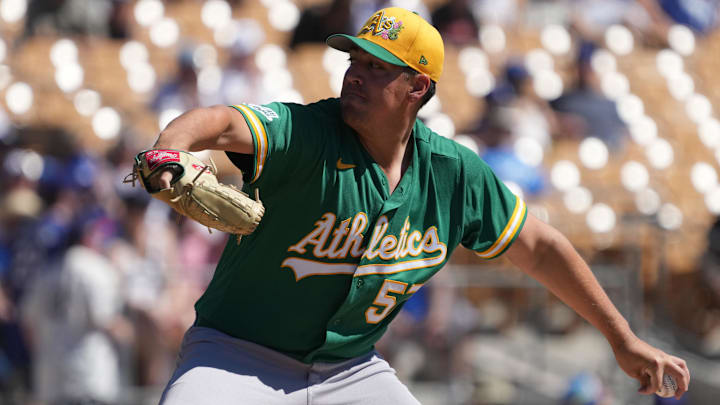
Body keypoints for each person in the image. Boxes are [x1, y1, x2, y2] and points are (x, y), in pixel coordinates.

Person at [145, 7, 689, 404]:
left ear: (418, 87)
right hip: (235, 356)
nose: (355, 72)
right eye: (354, 58)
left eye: (378, 66)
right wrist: (169, 151)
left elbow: (540, 248)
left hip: (348, 374)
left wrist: (623, 338)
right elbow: (216, 121)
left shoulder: (452, 173)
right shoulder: (308, 131)